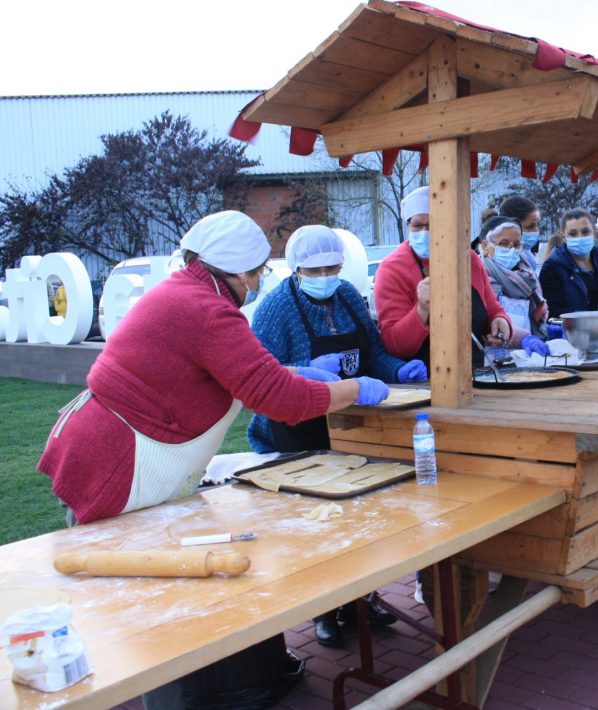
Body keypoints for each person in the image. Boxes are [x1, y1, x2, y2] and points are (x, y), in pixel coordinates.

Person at [37, 210, 390, 708]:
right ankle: (161, 698)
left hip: (113, 445)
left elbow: (238, 372)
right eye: (257, 272)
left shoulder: (187, 293)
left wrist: (303, 373)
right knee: (141, 594)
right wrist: (352, 389)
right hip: (118, 460)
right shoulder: (206, 309)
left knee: (148, 585)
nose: (258, 281)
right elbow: (277, 400)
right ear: (241, 271)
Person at [245, 224, 412, 648]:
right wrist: (307, 367)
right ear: (297, 268)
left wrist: (397, 370)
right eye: (315, 270)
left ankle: (363, 599)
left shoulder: (350, 296)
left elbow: (373, 352)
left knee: (359, 516)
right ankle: (321, 609)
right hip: (296, 428)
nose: (325, 276)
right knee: (313, 523)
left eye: (332, 267)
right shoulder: (275, 308)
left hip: (353, 422)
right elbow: (260, 378)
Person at [374, 186, 511, 365]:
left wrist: (500, 322)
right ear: (408, 225)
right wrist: (422, 309)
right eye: (417, 225)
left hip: (474, 373)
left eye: (432, 225)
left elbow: (492, 308)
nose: (425, 232)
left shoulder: (468, 259)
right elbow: (394, 344)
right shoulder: (392, 269)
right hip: (421, 381)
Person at [540, 208, 598, 317]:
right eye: (573, 234)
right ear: (564, 237)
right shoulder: (553, 268)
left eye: (585, 232)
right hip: (575, 333)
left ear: (593, 232)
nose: (580, 237)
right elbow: (552, 313)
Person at [477, 215, 551, 351]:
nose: (511, 250)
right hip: (489, 363)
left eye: (516, 245)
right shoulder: (478, 276)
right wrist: (523, 338)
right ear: (485, 246)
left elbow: (531, 317)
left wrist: (545, 329)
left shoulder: (528, 276)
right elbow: (485, 321)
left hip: (525, 359)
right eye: (504, 244)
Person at [497, 195, 542, 264]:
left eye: (537, 224)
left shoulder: (527, 255)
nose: (536, 231)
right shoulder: (504, 261)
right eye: (530, 226)